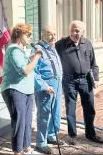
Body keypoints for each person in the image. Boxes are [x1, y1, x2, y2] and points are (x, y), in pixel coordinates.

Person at [55, 20, 103, 145]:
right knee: (70, 108)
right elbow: (49, 51)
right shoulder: (60, 44)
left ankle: (90, 134)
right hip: (69, 80)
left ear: (82, 32)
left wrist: (96, 78)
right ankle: (72, 135)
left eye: (77, 30)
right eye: (72, 30)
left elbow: (93, 63)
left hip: (86, 80)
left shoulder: (87, 43)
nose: (74, 33)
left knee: (89, 107)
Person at [1, 23, 42, 155]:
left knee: (27, 121)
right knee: (19, 122)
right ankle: (17, 151)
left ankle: (27, 149)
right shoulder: (13, 50)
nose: (30, 37)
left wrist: (31, 57)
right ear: (19, 35)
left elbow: (25, 64)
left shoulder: (21, 51)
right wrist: (36, 57)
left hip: (27, 91)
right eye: (28, 34)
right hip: (14, 90)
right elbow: (24, 71)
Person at [31, 26, 64, 154]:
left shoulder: (52, 48)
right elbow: (34, 73)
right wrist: (45, 86)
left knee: (56, 111)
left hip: (57, 84)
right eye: (50, 34)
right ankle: (41, 142)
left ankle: (51, 135)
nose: (53, 37)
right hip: (46, 86)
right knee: (44, 114)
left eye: (55, 34)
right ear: (43, 35)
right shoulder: (37, 50)